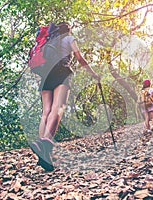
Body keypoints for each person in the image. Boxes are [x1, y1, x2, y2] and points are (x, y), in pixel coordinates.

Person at [30, 22, 100, 171]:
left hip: (45, 75)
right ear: (68, 30)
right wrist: (94, 74)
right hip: (62, 72)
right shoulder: (69, 39)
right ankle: (46, 142)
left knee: (46, 111)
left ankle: (42, 148)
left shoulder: (48, 41)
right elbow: (79, 58)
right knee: (58, 107)